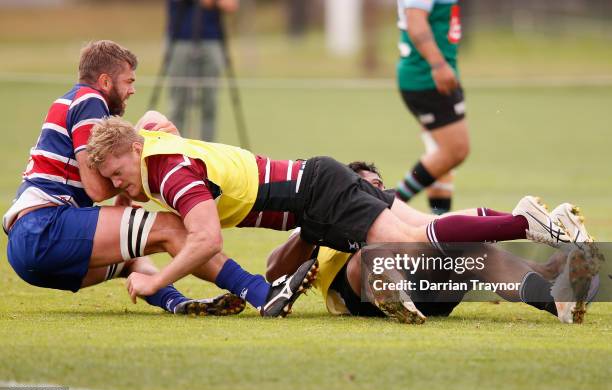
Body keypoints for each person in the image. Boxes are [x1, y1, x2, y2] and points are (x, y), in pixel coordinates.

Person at [86, 114, 576, 323]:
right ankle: (537, 241)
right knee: (390, 252)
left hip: (328, 203)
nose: (119, 184)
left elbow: (206, 237)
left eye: (118, 175)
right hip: (331, 229)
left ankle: (544, 263)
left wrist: (157, 283)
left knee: (438, 246)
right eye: (366, 185)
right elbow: (277, 263)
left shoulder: (168, 167)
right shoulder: (153, 156)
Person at [3, 41, 307, 318]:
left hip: (28, 250)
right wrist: (144, 168)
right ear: (106, 81)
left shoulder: (69, 100)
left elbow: (100, 181)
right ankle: (261, 293)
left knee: (132, 260)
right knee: (171, 228)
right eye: (128, 81)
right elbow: (96, 188)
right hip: (44, 228)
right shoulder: (89, 101)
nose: (132, 90)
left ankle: (175, 302)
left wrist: (139, 165)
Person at [266, 162, 600, 324]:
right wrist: (310, 234)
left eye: (380, 184)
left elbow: (456, 223)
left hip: (431, 288)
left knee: (473, 252)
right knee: (370, 256)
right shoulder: (323, 216)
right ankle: (391, 291)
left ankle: (557, 300)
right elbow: (273, 270)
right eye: (366, 185)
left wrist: (531, 228)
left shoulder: (395, 216)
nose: (377, 191)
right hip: (361, 294)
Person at [395, 0, 468, 215]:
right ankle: (388, 204)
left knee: (440, 157)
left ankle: (439, 227)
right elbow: (415, 21)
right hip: (427, 78)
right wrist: (438, 65)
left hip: (437, 76)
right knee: (455, 150)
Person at [166, 0, 238, 141]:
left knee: (210, 103)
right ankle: (174, 149)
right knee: (178, 102)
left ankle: (207, 152)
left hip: (212, 39)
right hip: (181, 39)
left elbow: (230, 5)